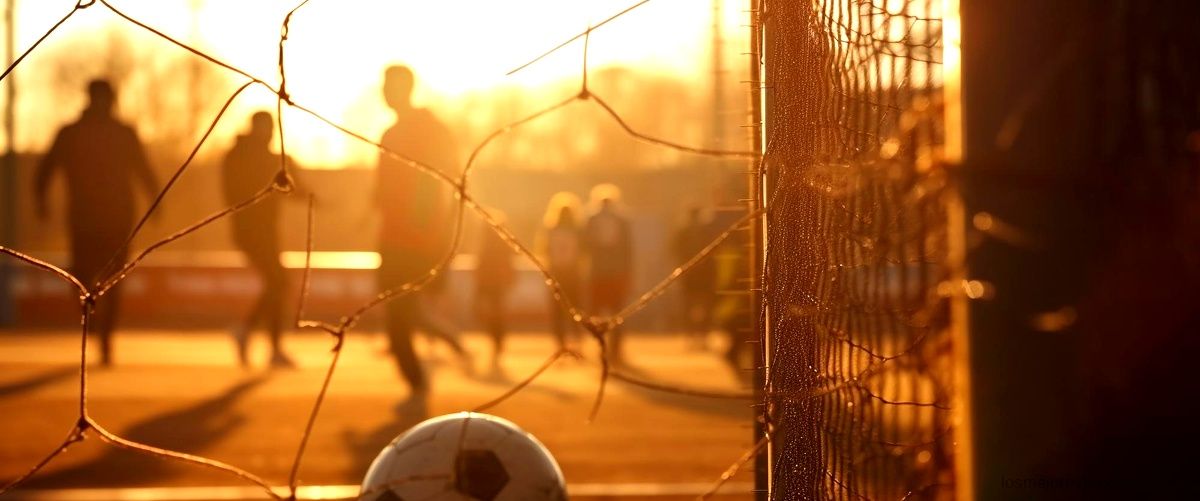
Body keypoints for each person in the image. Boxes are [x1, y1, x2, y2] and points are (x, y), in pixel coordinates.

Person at [34, 79, 159, 367]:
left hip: (116, 219)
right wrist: (42, 201)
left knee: (113, 279)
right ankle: (92, 320)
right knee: (81, 275)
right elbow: (46, 170)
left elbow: (143, 169)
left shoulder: (122, 133)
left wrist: (156, 201)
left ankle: (105, 337)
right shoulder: (72, 133)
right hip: (85, 218)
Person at [376, 65, 470, 396]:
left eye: (390, 85)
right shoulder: (390, 134)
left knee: (400, 313)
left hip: (416, 241)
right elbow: (383, 188)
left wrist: (430, 232)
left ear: (406, 88)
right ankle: (427, 368)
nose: (384, 91)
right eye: (383, 85)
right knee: (401, 311)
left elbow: (444, 180)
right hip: (393, 238)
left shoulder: (429, 130)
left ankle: (418, 383)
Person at [221, 111, 297, 369]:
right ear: (256, 128)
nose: (271, 133)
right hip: (249, 231)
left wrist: (310, 196)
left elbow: (290, 186)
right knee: (278, 281)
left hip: (268, 230)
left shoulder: (273, 158)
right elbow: (233, 192)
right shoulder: (239, 156)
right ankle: (248, 331)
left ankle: (265, 342)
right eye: (267, 128)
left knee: (277, 283)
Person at [584, 183, 633, 365]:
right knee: (617, 313)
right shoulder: (622, 220)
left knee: (597, 313)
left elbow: (585, 247)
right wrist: (628, 272)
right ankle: (616, 349)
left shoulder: (591, 219)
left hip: (597, 273)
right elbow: (629, 250)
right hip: (617, 273)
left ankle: (601, 347)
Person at [537, 192, 585, 352]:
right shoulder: (578, 230)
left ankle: (561, 344)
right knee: (575, 309)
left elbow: (543, 250)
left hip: (556, 274)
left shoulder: (551, 230)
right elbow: (584, 252)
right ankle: (577, 341)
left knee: (557, 310)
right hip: (573, 274)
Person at [474, 210, 516, 373]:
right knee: (497, 312)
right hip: (496, 281)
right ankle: (498, 341)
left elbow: (481, 260)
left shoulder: (486, 240)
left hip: (489, 281)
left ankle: (496, 341)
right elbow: (509, 260)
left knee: (491, 313)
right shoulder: (502, 239)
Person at [673, 206, 717, 350]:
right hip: (704, 274)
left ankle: (690, 336)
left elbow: (674, 250)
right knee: (705, 305)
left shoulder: (683, 231)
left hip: (689, 273)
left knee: (688, 305)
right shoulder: (707, 231)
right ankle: (703, 337)